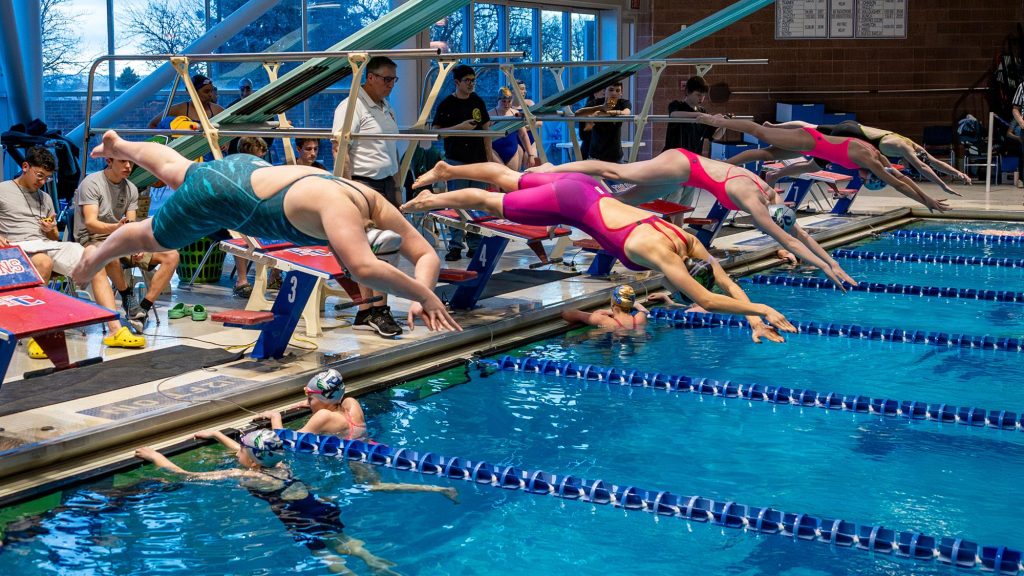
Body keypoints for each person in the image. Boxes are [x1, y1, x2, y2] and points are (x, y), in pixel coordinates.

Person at [72, 131, 461, 332]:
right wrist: (426, 296)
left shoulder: (371, 200)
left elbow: (425, 253)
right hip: (224, 196)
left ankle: (119, 144)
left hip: (242, 168)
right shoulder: (342, 207)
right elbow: (362, 268)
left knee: (180, 168)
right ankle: (97, 256)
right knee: (152, 236)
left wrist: (418, 295)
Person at [406, 162, 796, 343]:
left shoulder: (687, 242)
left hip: (586, 187)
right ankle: (431, 198)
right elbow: (709, 298)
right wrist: (760, 310)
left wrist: (754, 319)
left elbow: (722, 281)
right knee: (494, 202)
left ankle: (445, 168)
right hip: (570, 202)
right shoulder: (663, 255)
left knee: (509, 177)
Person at [527, 150, 856, 289]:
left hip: (684, 176)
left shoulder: (769, 194)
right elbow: (786, 239)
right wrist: (825, 269)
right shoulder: (753, 201)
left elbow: (798, 234)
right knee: (615, 172)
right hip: (681, 164)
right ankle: (551, 169)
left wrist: (832, 262)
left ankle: (561, 198)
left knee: (615, 202)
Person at [135, 429, 399, 574]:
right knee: (343, 539)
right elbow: (249, 452)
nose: (236, 452)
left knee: (322, 552)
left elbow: (187, 476)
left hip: (298, 518)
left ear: (250, 460)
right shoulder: (280, 464)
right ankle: (373, 560)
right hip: (319, 505)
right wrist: (217, 435)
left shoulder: (242, 474)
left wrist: (155, 456)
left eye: (240, 450)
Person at [0, 146, 145, 357]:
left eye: (47, 178)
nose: (42, 182)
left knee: (94, 260)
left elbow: (54, 240)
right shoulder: (3, 190)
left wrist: (50, 230)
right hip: (15, 250)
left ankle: (114, 329)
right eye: (39, 175)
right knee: (43, 262)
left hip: (45, 245)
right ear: (25, 167)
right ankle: (38, 335)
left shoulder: (45, 198)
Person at [260, 369, 458, 502]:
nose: (308, 402)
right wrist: (316, 402)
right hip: (370, 446)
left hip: (355, 457)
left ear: (320, 400)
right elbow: (335, 404)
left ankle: (437, 489)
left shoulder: (322, 416)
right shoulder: (351, 404)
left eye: (309, 398)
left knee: (373, 487)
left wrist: (275, 417)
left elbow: (286, 440)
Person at [696, 114, 952, 213]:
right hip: (810, 141)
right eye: (864, 180)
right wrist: (924, 200)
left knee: (766, 155)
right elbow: (898, 185)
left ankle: (723, 163)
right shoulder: (869, 160)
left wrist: (928, 199)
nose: (860, 179)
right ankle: (718, 120)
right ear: (870, 176)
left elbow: (901, 178)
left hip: (814, 145)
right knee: (761, 134)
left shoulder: (878, 159)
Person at [331, 56, 405, 337]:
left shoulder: (387, 107)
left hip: (385, 184)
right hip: (362, 186)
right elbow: (340, 150)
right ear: (370, 77)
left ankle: (366, 311)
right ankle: (377, 310)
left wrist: (397, 188)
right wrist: (349, 194)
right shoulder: (351, 106)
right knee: (374, 251)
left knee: (388, 248)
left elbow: (391, 152)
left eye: (394, 80)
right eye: (387, 79)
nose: (391, 86)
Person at [74, 156, 180, 331]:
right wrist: (117, 229)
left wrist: (136, 245)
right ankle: (127, 297)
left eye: (131, 163)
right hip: (92, 241)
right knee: (111, 254)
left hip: (120, 241)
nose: (128, 166)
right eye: (123, 161)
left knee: (172, 255)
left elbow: (130, 225)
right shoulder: (91, 183)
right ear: (109, 161)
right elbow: (91, 223)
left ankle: (142, 310)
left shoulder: (130, 188)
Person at [733, 119, 971, 196]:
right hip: (849, 136)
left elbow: (932, 162)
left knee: (812, 151)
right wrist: (942, 186)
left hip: (852, 135)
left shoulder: (911, 145)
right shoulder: (905, 148)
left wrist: (957, 174)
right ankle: (772, 139)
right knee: (811, 150)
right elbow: (921, 168)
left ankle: (775, 168)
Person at [431, 64, 498, 261]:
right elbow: (437, 132)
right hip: (456, 161)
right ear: (457, 82)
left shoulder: (477, 101)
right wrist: (460, 127)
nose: (471, 84)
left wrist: (489, 162)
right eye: (467, 80)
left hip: (477, 162)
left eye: (473, 80)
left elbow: (486, 133)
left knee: (476, 204)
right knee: (458, 204)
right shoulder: (446, 104)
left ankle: (475, 244)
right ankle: (455, 245)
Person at [662, 75, 728, 208]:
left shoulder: (703, 112)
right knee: (671, 204)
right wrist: (703, 116)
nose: (701, 98)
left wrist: (724, 124)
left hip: (693, 164)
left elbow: (715, 136)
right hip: (674, 163)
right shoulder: (677, 105)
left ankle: (680, 228)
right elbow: (674, 115)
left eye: (703, 95)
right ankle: (668, 228)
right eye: (698, 95)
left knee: (685, 206)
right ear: (687, 92)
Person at [576, 82, 631, 163]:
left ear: (621, 93)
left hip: (615, 155)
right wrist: (601, 107)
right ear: (605, 91)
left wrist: (603, 113)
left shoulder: (623, 102)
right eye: (611, 90)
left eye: (617, 90)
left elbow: (626, 113)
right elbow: (578, 113)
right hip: (596, 155)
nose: (614, 93)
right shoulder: (596, 103)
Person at [147, 74, 224, 128]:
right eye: (206, 91)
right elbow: (152, 125)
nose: (210, 95)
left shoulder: (218, 110)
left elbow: (231, 128)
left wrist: (226, 144)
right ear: (192, 92)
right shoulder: (179, 109)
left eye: (211, 91)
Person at [561, 285, 649, 330]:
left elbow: (566, 314)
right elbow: (644, 311)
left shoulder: (604, 320)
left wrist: (594, 314)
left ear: (613, 304)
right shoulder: (640, 317)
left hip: (612, 344)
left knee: (593, 334)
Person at [488, 87, 531, 173]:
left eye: (509, 101)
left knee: (511, 179)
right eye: (503, 101)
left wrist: (530, 154)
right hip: (494, 152)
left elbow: (523, 135)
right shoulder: (490, 115)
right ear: (498, 100)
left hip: (512, 152)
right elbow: (483, 137)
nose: (506, 104)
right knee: (498, 181)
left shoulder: (515, 114)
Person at [513, 79, 541, 167]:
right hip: (516, 141)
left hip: (530, 139)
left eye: (525, 89)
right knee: (515, 170)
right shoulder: (507, 106)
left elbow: (539, 123)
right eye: (522, 89)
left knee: (532, 168)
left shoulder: (530, 103)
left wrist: (523, 128)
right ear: (514, 90)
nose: (524, 91)